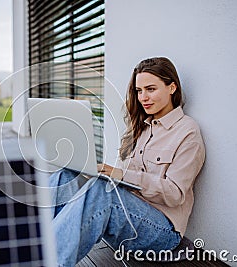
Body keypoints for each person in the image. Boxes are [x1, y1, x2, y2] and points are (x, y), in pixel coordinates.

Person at [49, 57, 206, 266]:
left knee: (98, 192)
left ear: (172, 87)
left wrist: (120, 174)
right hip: (129, 216)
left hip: (162, 230)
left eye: (150, 89)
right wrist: (97, 173)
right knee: (64, 176)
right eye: (139, 91)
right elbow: (124, 187)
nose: (143, 97)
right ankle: (34, 245)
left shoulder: (187, 132)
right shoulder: (141, 127)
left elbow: (176, 194)